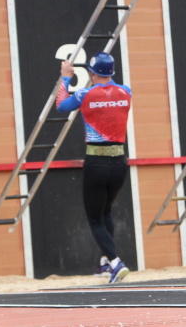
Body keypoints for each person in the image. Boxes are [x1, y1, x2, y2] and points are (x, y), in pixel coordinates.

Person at [56, 51, 132, 284]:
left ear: (90, 72)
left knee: (95, 219)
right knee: (106, 211)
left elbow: (61, 106)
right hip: (119, 163)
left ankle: (116, 262)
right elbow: (114, 89)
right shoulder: (126, 92)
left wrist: (65, 77)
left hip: (96, 163)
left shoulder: (84, 94)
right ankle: (105, 264)